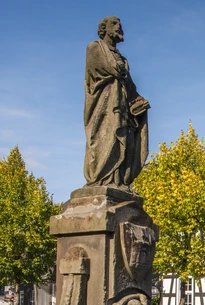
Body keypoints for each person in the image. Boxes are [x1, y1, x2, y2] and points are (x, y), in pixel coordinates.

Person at [84, 16, 149, 190]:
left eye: (120, 24)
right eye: (114, 24)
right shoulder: (95, 48)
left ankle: (118, 181)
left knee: (125, 144)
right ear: (104, 29)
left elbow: (130, 85)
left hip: (122, 108)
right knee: (106, 140)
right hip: (104, 107)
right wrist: (119, 71)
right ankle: (101, 179)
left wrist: (139, 102)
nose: (119, 27)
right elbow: (104, 70)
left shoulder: (123, 59)